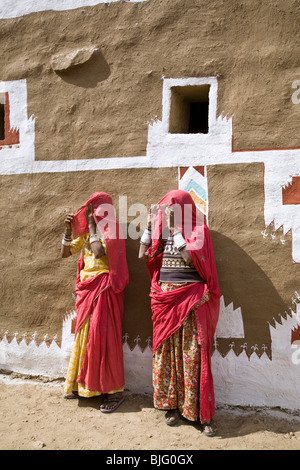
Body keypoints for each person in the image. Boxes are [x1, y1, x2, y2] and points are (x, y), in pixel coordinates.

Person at [139, 190, 220, 437]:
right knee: (168, 355)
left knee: (192, 355)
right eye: (167, 208)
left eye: (174, 207)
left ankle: (197, 411)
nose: (169, 212)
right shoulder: (162, 234)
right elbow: (142, 254)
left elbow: (189, 258)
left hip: (192, 304)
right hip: (165, 303)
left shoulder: (199, 231)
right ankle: (171, 406)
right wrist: (150, 227)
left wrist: (174, 230)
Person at [61, 192, 129, 412]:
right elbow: (65, 253)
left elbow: (99, 253)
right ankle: (84, 386)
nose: (92, 215)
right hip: (87, 290)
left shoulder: (112, 230)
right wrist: (68, 232)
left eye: (95, 210)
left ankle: (113, 391)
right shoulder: (87, 235)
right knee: (86, 336)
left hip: (104, 290)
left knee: (104, 338)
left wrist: (91, 228)